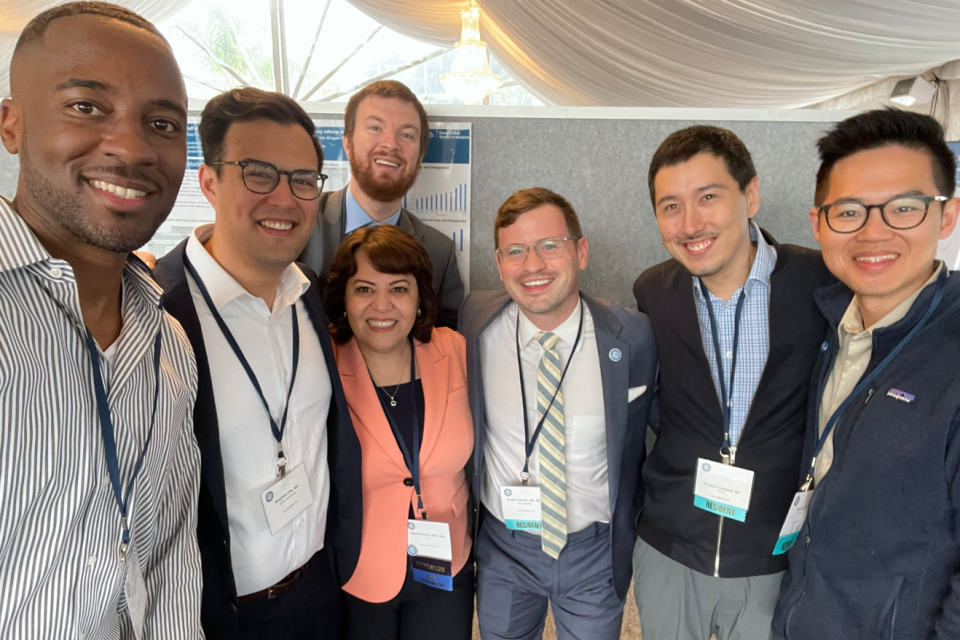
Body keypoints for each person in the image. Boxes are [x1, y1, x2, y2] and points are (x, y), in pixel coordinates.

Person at [0, 3, 202, 637]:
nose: (133, 148)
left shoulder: (168, 341)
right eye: (87, 107)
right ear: (11, 124)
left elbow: (166, 554)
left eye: (162, 123)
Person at [154, 87, 361, 640]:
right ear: (208, 182)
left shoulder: (308, 293)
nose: (285, 199)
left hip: (319, 590)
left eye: (302, 180)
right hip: (222, 613)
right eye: (259, 174)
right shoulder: (156, 310)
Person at [632, 125, 833, 640]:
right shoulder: (655, 290)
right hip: (670, 548)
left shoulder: (822, 284)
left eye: (708, 197)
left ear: (751, 195)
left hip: (771, 556)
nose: (690, 223)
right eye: (671, 206)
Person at [773, 110, 960, 639]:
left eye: (904, 208)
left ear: (947, 216)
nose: (874, 232)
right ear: (818, 224)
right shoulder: (831, 323)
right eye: (850, 211)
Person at [460, 187, 657, 640]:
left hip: (594, 551)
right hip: (504, 547)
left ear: (581, 252)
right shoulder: (475, 323)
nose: (532, 265)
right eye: (515, 251)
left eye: (549, 245)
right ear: (499, 263)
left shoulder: (633, 336)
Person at [324, 224, 474, 640]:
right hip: (359, 567)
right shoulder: (324, 365)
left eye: (399, 289)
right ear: (344, 299)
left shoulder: (454, 350)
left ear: (420, 298)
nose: (382, 305)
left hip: (446, 559)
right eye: (364, 289)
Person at [299, 80, 463, 328]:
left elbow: (445, 336)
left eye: (406, 135)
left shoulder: (440, 252)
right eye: (375, 127)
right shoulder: (301, 218)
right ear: (347, 143)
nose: (391, 144)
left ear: (420, 156)